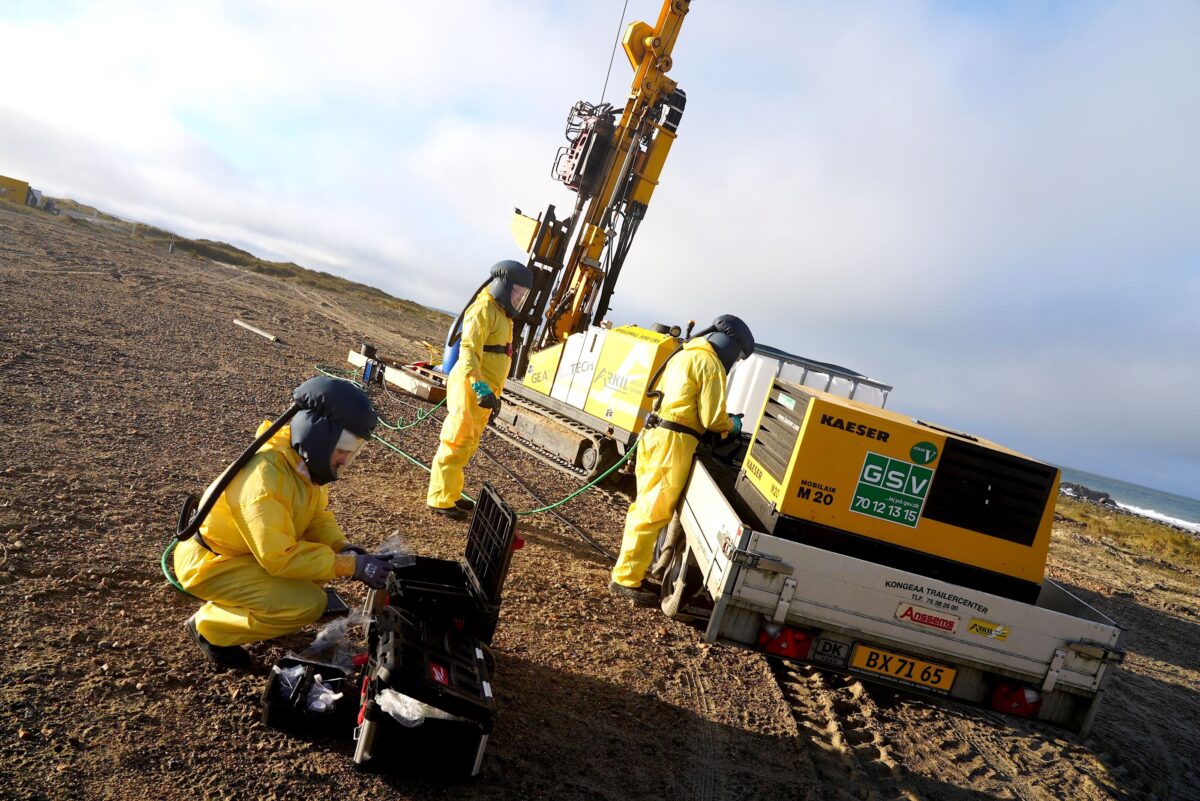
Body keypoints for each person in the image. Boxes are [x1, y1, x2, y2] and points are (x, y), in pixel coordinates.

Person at [175, 376, 396, 667]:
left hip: (245, 553)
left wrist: (343, 548)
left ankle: (255, 608)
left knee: (315, 574)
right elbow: (280, 558)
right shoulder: (265, 479)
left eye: (353, 452)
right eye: (343, 450)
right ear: (320, 437)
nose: (345, 460)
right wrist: (350, 566)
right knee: (307, 604)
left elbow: (317, 516)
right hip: (212, 563)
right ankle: (211, 627)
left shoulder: (300, 465)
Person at [609, 315, 755, 605]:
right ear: (731, 344)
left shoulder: (686, 353)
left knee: (645, 506)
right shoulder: (710, 364)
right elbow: (713, 418)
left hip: (655, 434)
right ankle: (625, 579)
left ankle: (629, 572)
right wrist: (734, 425)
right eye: (737, 356)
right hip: (674, 441)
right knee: (653, 511)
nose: (734, 361)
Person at [427, 260, 534, 520]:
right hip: (470, 387)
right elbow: (468, 353)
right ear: (503, 286)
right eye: (516, 292)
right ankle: (439, 498)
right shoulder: (483, 309)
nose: (519, 298)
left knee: (468, 443)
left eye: (523, 294)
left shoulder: (501, 314)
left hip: (484, 391)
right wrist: (479, 386)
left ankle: (451, 493)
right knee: (456, 440)